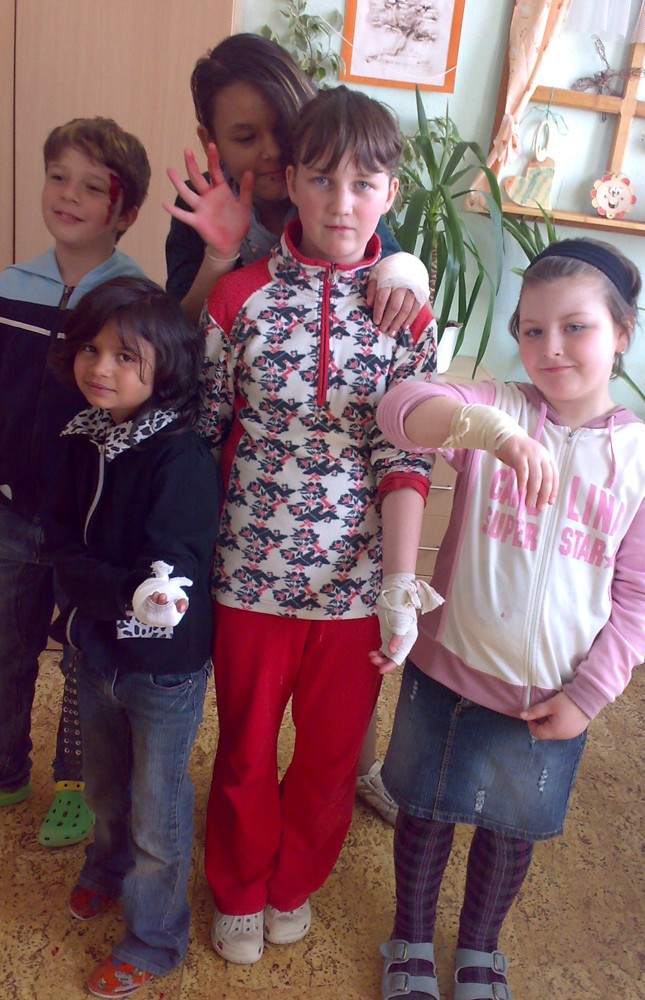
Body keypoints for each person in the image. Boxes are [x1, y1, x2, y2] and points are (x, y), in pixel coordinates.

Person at [373, 239, 645, 1000]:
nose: (551, 348)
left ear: (622, 333)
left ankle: (481, 949)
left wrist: (589, 696)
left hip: (550, 696)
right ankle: (410, 938)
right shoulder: (501, 408)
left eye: (576, 327)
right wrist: (493, 433)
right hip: (448, 673)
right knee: (424, 813)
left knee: (511, 830)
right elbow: (400, 409)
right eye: (532, 329)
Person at [199, 85, 440, 966]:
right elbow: (202, 432)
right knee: (244, 750)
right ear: (291, 181)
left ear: (391, 192)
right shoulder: (239, 299)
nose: (343, 202)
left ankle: (293, 882)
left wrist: (399, 588)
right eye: (323, 179)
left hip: (355, 586)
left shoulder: (407, 318)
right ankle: (237, 885)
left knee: (333, 758)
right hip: (248, 575)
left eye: (364, 183)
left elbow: (408, 457)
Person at [164, 31, 424, 823]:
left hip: (352, 566)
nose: (275, 154)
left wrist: (406, 269)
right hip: (252, 553)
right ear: (214, 143)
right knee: (244, 741)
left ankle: (338, 803)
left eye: (283, 127)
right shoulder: (220, 254)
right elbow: (183, 379)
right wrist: (216, 256)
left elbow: (404, 435)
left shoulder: (353, 203)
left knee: (332, 742)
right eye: (248, 137)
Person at [42, 276, 222, 999]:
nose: (100, 367)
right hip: (96, 650)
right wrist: (114, 591)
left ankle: (154, 939)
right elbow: (59, 542)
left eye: (124, 356)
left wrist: (124, 590)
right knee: (102, 785)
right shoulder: (80, 437)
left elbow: (171, 571)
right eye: (91, 348)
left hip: (163, 669)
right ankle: (106, 867)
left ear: (164, 367)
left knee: (157, 806)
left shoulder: (179, 455)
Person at [0, 118, 150, 850]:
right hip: (9, 513)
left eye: (93, 187)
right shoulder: (9, 288)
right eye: (58, 177)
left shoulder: (133, 299)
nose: (68, 195)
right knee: (6, 648)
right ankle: (6, 768)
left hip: (89, 523)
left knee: (86, 659)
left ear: (125, 212)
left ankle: (76, 784)